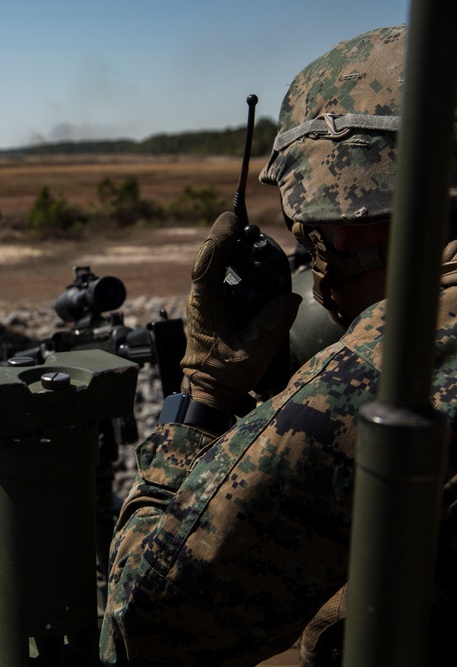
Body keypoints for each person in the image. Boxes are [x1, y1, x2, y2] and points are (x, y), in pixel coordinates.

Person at [99, 24, 457, 666]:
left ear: (344, 226)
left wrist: (205, 394)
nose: (314, 266)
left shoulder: (389, 368)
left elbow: (144, 628)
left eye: (310, 237)